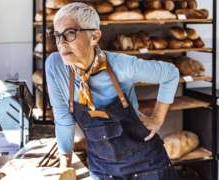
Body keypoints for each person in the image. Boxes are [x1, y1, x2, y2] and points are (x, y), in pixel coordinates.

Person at [45, 2, 180, 179]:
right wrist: (65, 170)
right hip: (102, 168)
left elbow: (171, 73)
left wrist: (157, 119)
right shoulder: (55, 66)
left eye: (70, 33)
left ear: (94, 36)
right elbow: (63, 119)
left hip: (147, 166)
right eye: (56, 35)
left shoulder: (122, 65)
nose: (61, 43)